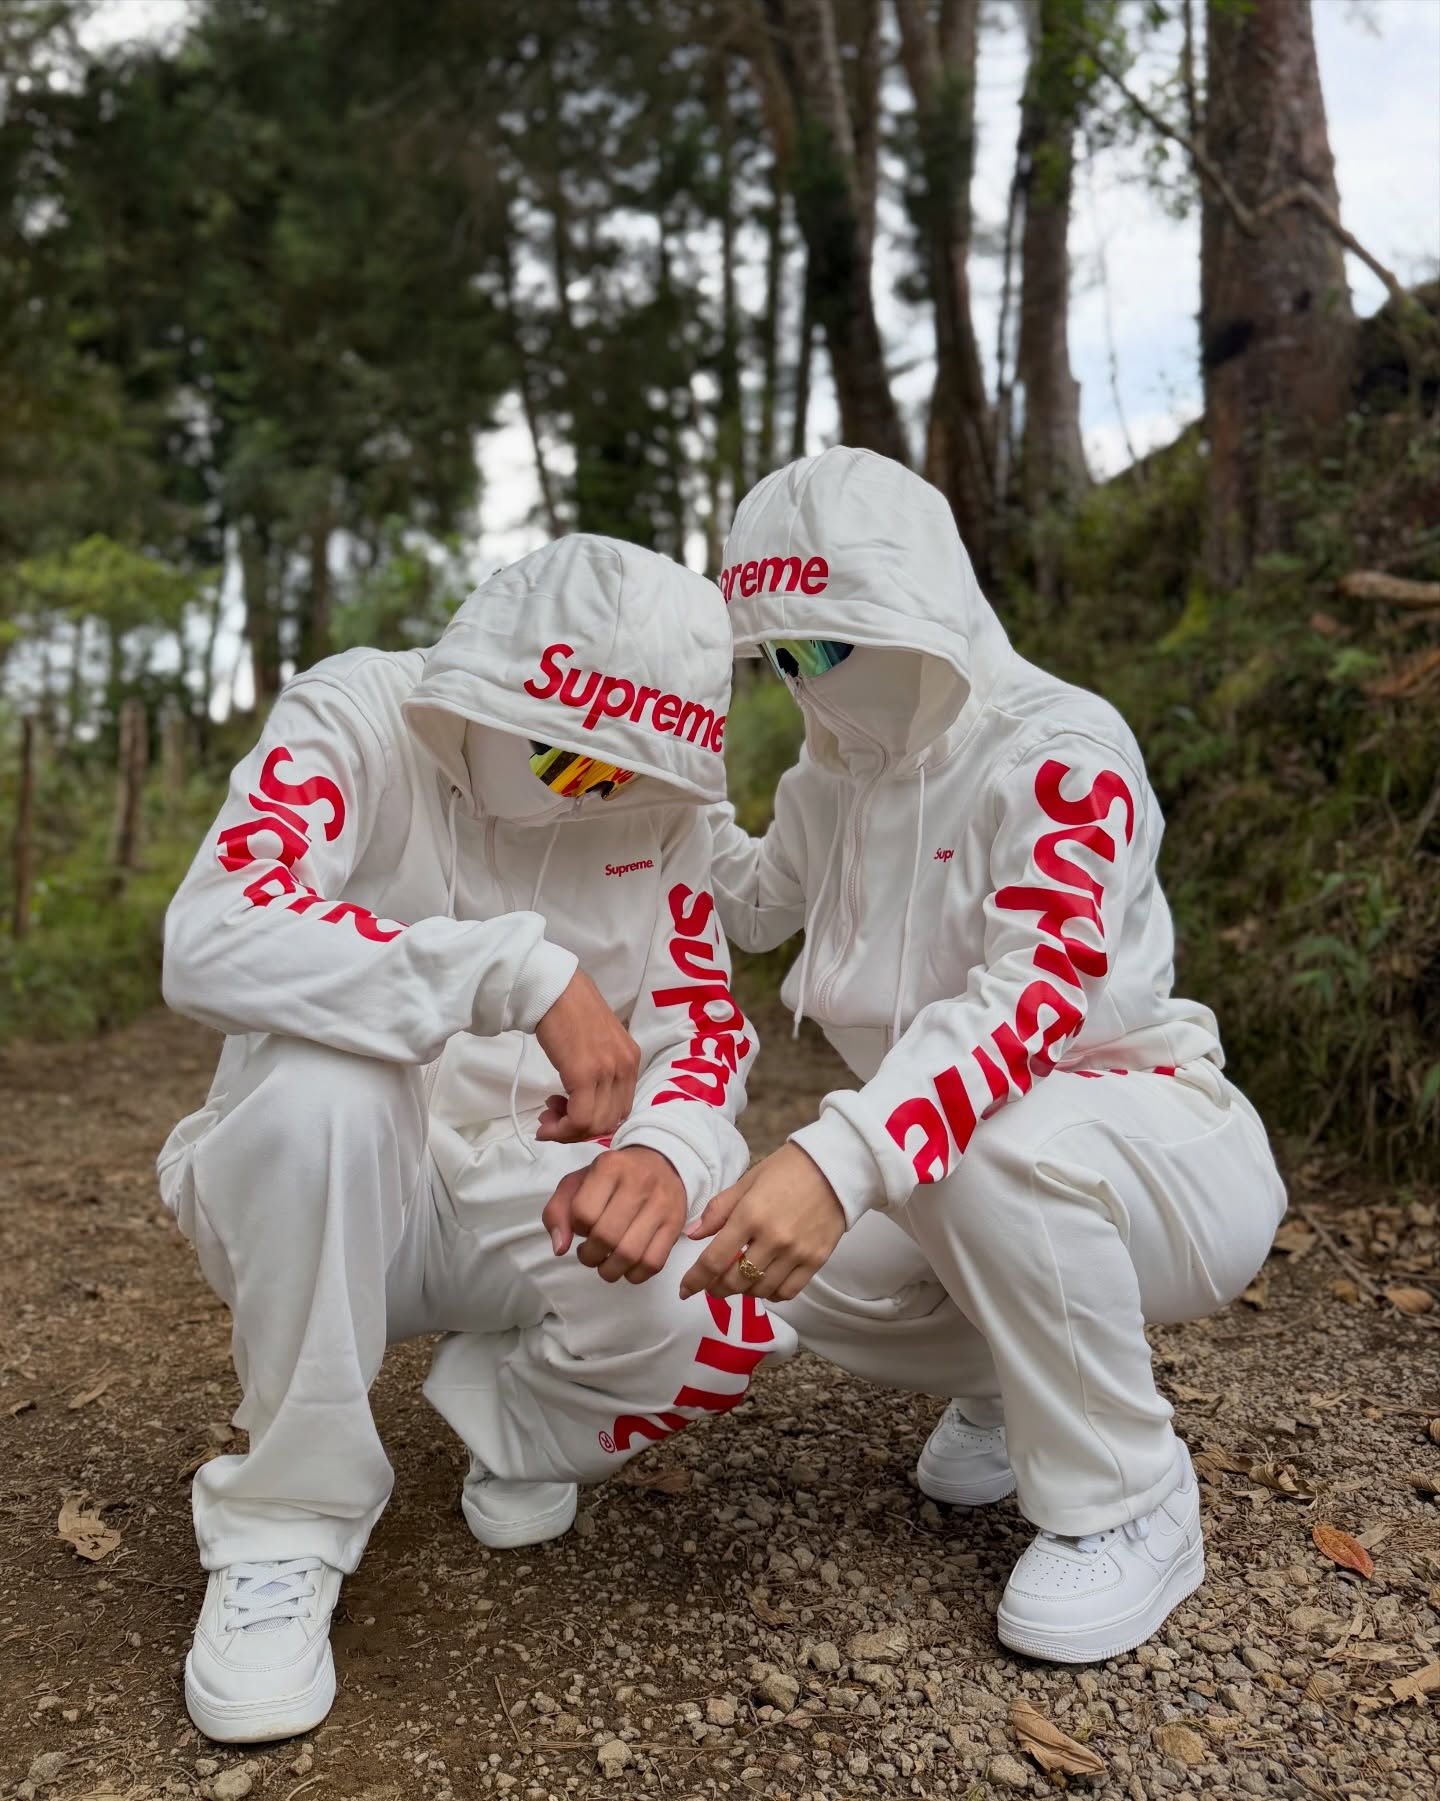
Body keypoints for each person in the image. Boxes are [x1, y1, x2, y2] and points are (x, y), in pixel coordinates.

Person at [157, 533, 795, 1743]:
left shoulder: (656, 806)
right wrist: (515, 968)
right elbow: (215, 930)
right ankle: (284, 1519)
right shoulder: (358, 711)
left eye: (625, 774)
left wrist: (663, 1151)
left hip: (529, 1191)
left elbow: (703, 1027)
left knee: (727, 1306)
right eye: (568, 755)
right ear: (486, 686)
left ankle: (516, 1405)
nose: (592, 794)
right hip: (333, 1188)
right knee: (327, 1083)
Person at [688, 447, 1286, 1664]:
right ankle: (1018, 1387)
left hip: (1158, 1138)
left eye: (825, 643)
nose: (803, 680)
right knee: (775, 1260)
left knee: (969, 1145)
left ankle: (1132, 1493)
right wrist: (663, 783)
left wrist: (839, 1158)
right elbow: (748, 905)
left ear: (916, 605)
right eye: (779, 655)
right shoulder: (830, 774)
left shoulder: (1061, 749)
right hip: (972, 1159)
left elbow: (1033, 1000)